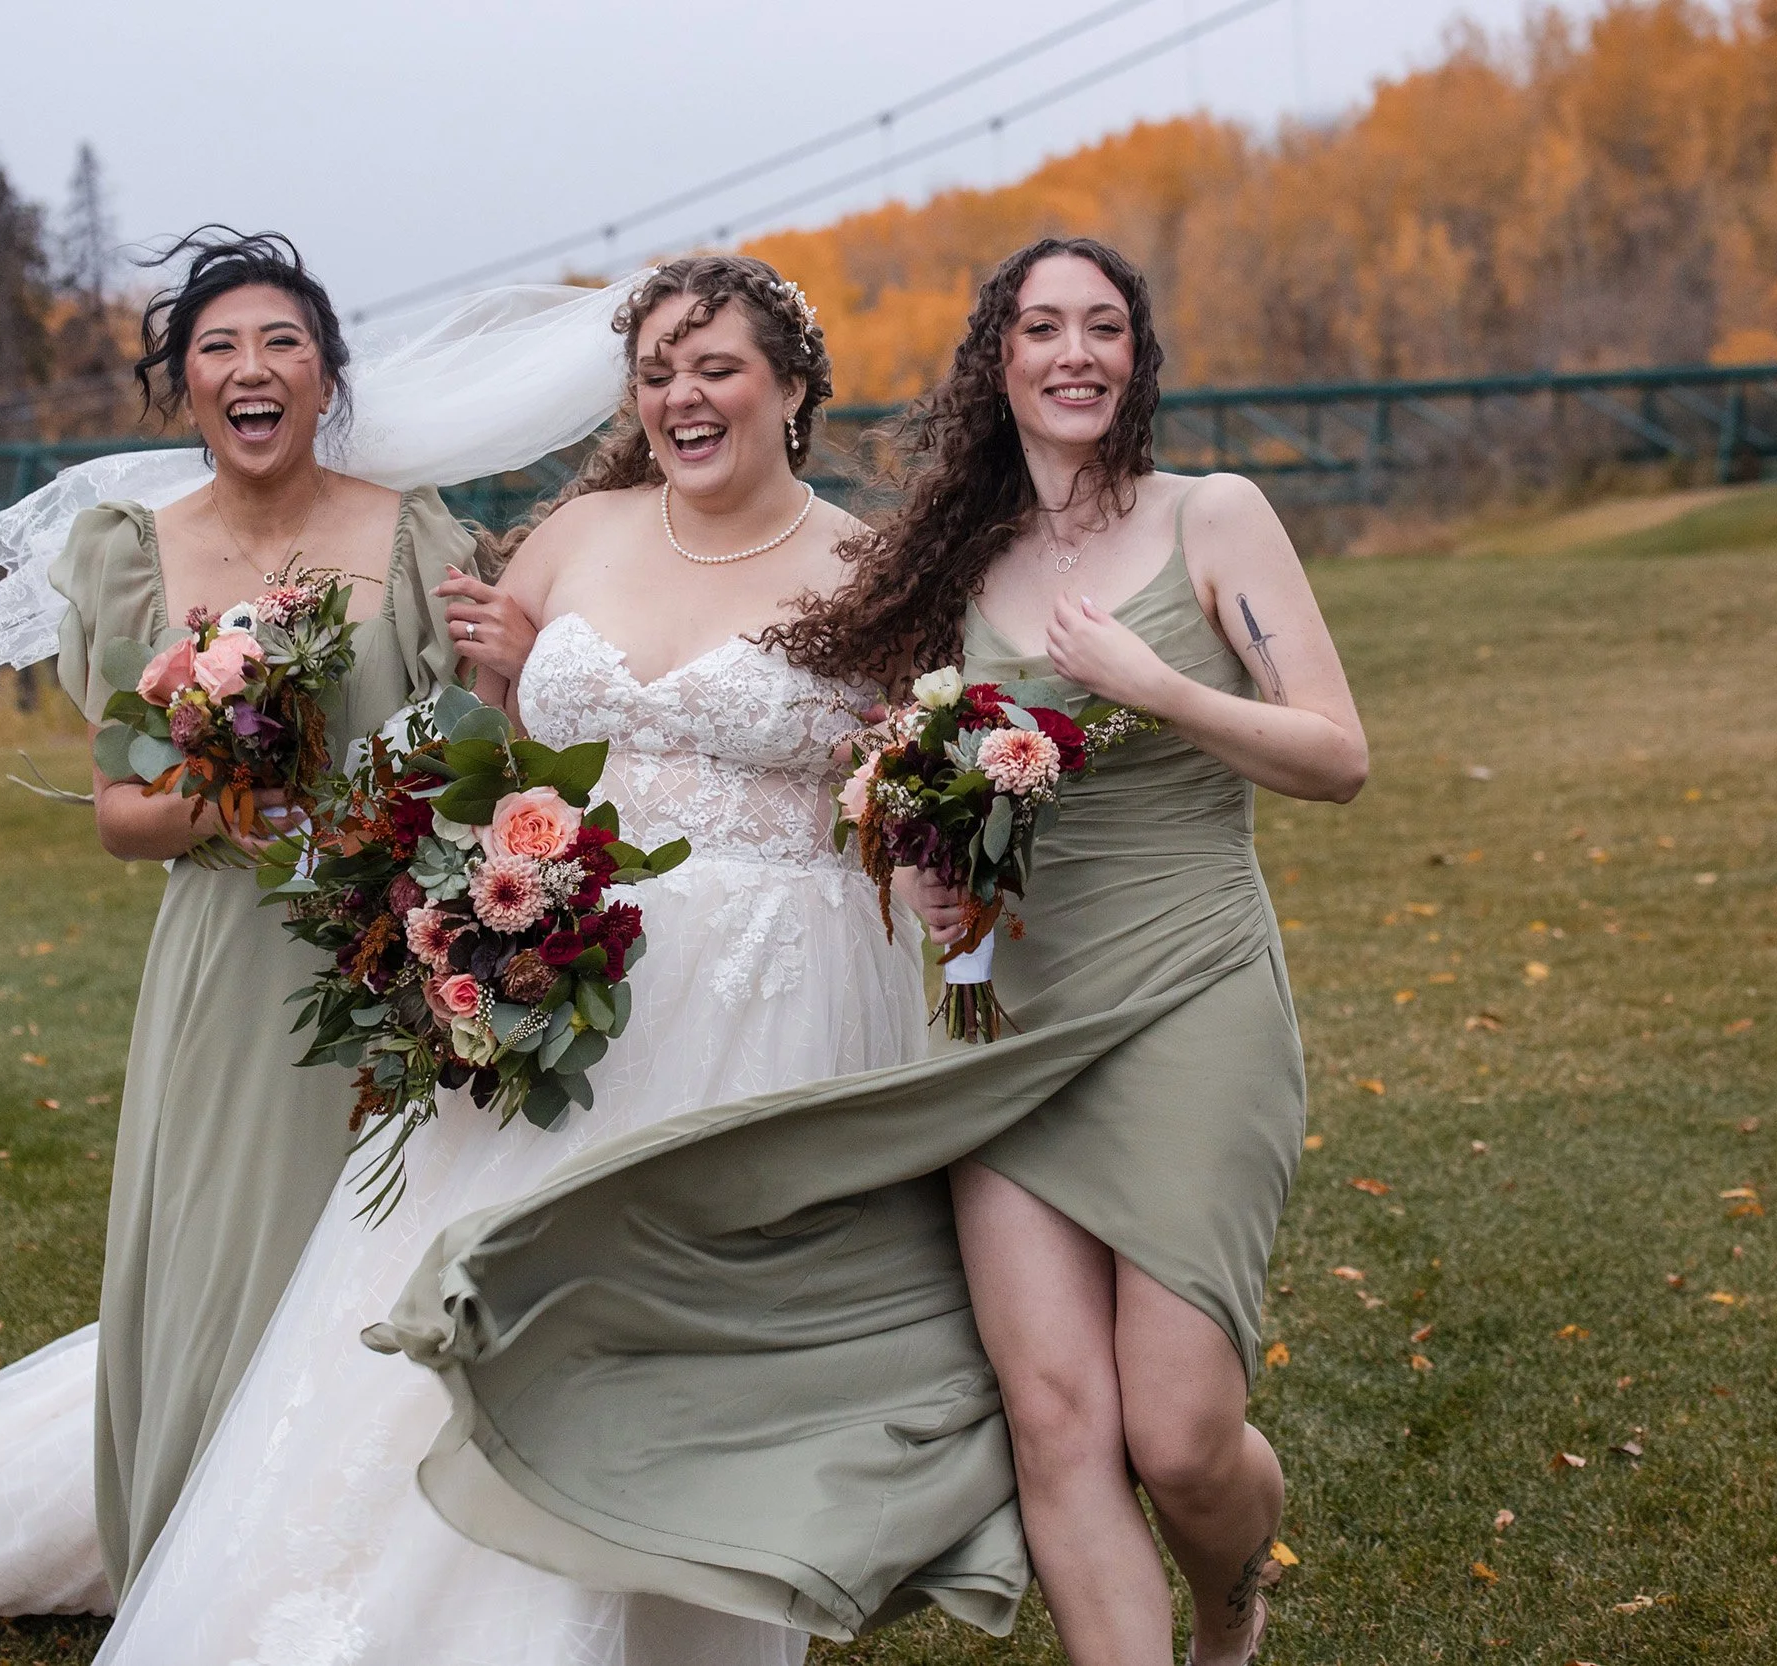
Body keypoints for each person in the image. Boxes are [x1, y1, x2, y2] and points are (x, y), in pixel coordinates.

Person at [385, 237, 1363, 1666]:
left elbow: (1338, 756)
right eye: (1043, 327)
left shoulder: (1215, 516)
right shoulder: (949, 564)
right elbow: (889, 764)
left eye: (1104, 327)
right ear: (998, 361)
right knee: (1055, 1419)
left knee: (1180, 1434)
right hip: (1004, 1013)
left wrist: (1155, 684)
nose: (1075, 352)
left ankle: (1231, 1602)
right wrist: (928, 865)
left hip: (1188, 988)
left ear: (1138, 357)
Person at [89, 254, 937, 1666]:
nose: (681, 396)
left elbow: (897, 797)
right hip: (568, 980)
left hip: (775, 996)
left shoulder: (869, 572)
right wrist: (453, 899)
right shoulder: (573, 534)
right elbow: (481, 752)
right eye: (655, 372)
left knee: (691, 1342)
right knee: (486, 1303)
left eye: (715, 367)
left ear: (792, 386)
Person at [0, 236, 626, 1621]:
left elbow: (478, 756)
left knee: (380, 1248)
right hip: (227, 958)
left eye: (283, 343)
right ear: (183, 385)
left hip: (391, 950)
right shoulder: (133, 556)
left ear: (327, 379)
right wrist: (238, 789)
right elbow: (124, 815)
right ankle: (199, 1560)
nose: (252, 368)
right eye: (219, 347)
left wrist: (506, 678)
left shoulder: (415, 538)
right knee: (226, 1248)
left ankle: (371, 1578)